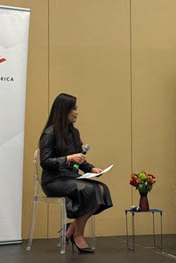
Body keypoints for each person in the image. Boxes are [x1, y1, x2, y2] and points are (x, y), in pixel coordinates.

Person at [39, 93, 112, 254]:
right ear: (63, 110)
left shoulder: (74, 132)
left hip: (71, 177)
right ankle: (78, 234)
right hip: (53, 180)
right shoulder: (49, 133)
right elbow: (45, 162)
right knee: (89, 190)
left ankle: (72, 227)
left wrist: (91, 169)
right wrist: (68, 158)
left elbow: (80, 160)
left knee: (102, 189)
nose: (76, 112)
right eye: (73, 109)